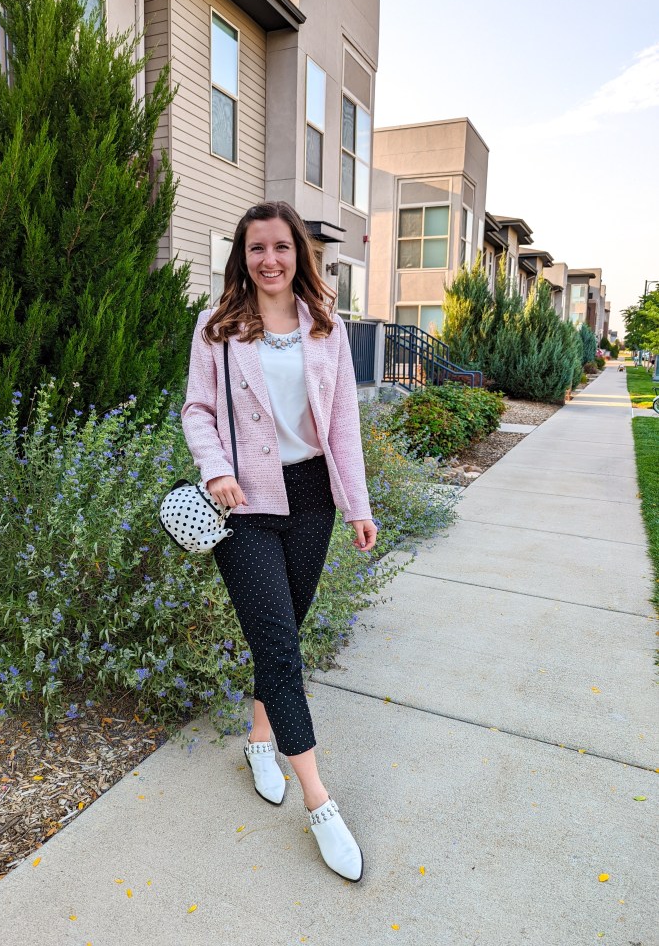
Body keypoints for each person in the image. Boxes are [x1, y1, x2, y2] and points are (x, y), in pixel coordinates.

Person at [181, 201, 377, 883]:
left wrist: (357, 505)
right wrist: (217, 469)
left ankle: (260, 739)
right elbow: (197, 409)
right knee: (279, 646)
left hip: (314, 498)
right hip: (244, 503)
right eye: (257, 248)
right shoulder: (218, 326)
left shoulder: (326, 326)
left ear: (300, 253)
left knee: (282, 634)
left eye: (281, 247)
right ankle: (319, 802)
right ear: (243, 256)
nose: (270, 260)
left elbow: (343, 424)